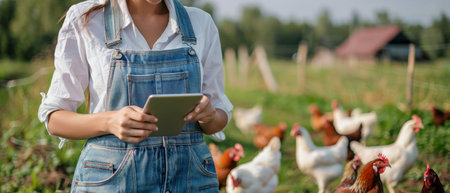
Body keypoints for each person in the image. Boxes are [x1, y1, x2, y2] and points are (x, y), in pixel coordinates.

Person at [38, 0, 233, 192]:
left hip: (190, 181)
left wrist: (209, 115)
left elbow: (218, 117)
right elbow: (55, 119)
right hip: (112, 184)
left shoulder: (201, 23)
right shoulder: (86, 20)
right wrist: (109, 121)